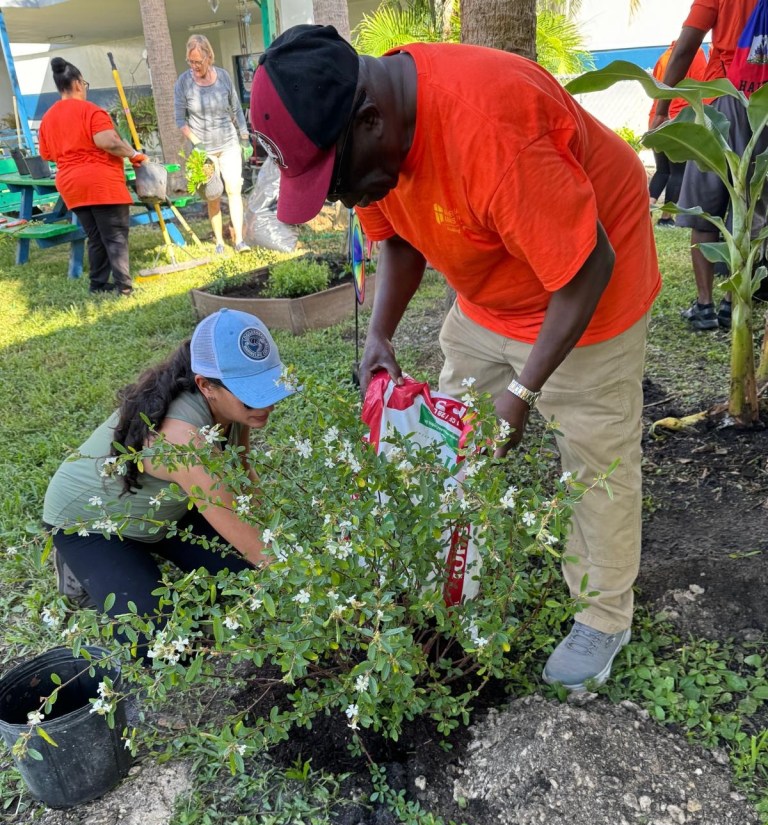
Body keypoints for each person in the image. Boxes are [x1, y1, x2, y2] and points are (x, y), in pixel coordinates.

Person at [249, 26, 661, 692]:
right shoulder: (378, 137)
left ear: (370, 120)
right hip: (489, 296)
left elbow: (588, 268)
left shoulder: (492, 131)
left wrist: (521, 395)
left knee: (595, 462)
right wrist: (380, 333)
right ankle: (455, 576)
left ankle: (603, 616)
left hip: (588, 292)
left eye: (336, 181)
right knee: (446, 444)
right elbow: (399, 238)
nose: (343, 199)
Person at [43, 309, 295, 654]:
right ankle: (80, 567)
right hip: (92, 523)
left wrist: (274, 533)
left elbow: (242, 470)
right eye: (251, 393)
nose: (266, 403)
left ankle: (145, 553)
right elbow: (255, 545)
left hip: (167, 509)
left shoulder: (233, 408)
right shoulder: (183, 440)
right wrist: (307, 582)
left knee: (244, 579)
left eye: (268, 386)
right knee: (160, 647)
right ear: (205, 386)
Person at [651, 0, 758, 330]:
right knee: (753, 206)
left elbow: (687, 45)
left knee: (705, 207)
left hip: (723, 97)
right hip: (763, 104)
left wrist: (661, 108)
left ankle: (705, 305)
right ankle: (733, 303)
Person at [38, 57, 146, 296]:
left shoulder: (47, 119)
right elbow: (108, 141)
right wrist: (133, 154)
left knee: (96, 236)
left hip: (71, 186)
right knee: (115, 235)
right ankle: (124, 287)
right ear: (78, 84)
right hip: (100, 182)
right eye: (84, 84)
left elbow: (46, 154)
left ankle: (98, 284)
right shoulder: (91, 111)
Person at [174, 34, 252, 255]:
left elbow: (236, 109)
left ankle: (239, 241)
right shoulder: (183, 83)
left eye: (198, 61)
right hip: (203, 150)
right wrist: (196, 143)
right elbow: (180, 120)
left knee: (234, 189)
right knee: (214, 194)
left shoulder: (224, 77)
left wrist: (244, 137)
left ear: (209, 56)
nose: (194, 66)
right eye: (190, 61)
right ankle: (219, 242)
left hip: (228, 143)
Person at [647, 41, 708, 227]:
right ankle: (666, 218)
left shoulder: (664, 56)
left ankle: (646, 210)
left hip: (656, 118)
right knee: (678, 172)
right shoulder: (696, 54)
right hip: (679, 119)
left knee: (662, 170)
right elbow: (701, 88)